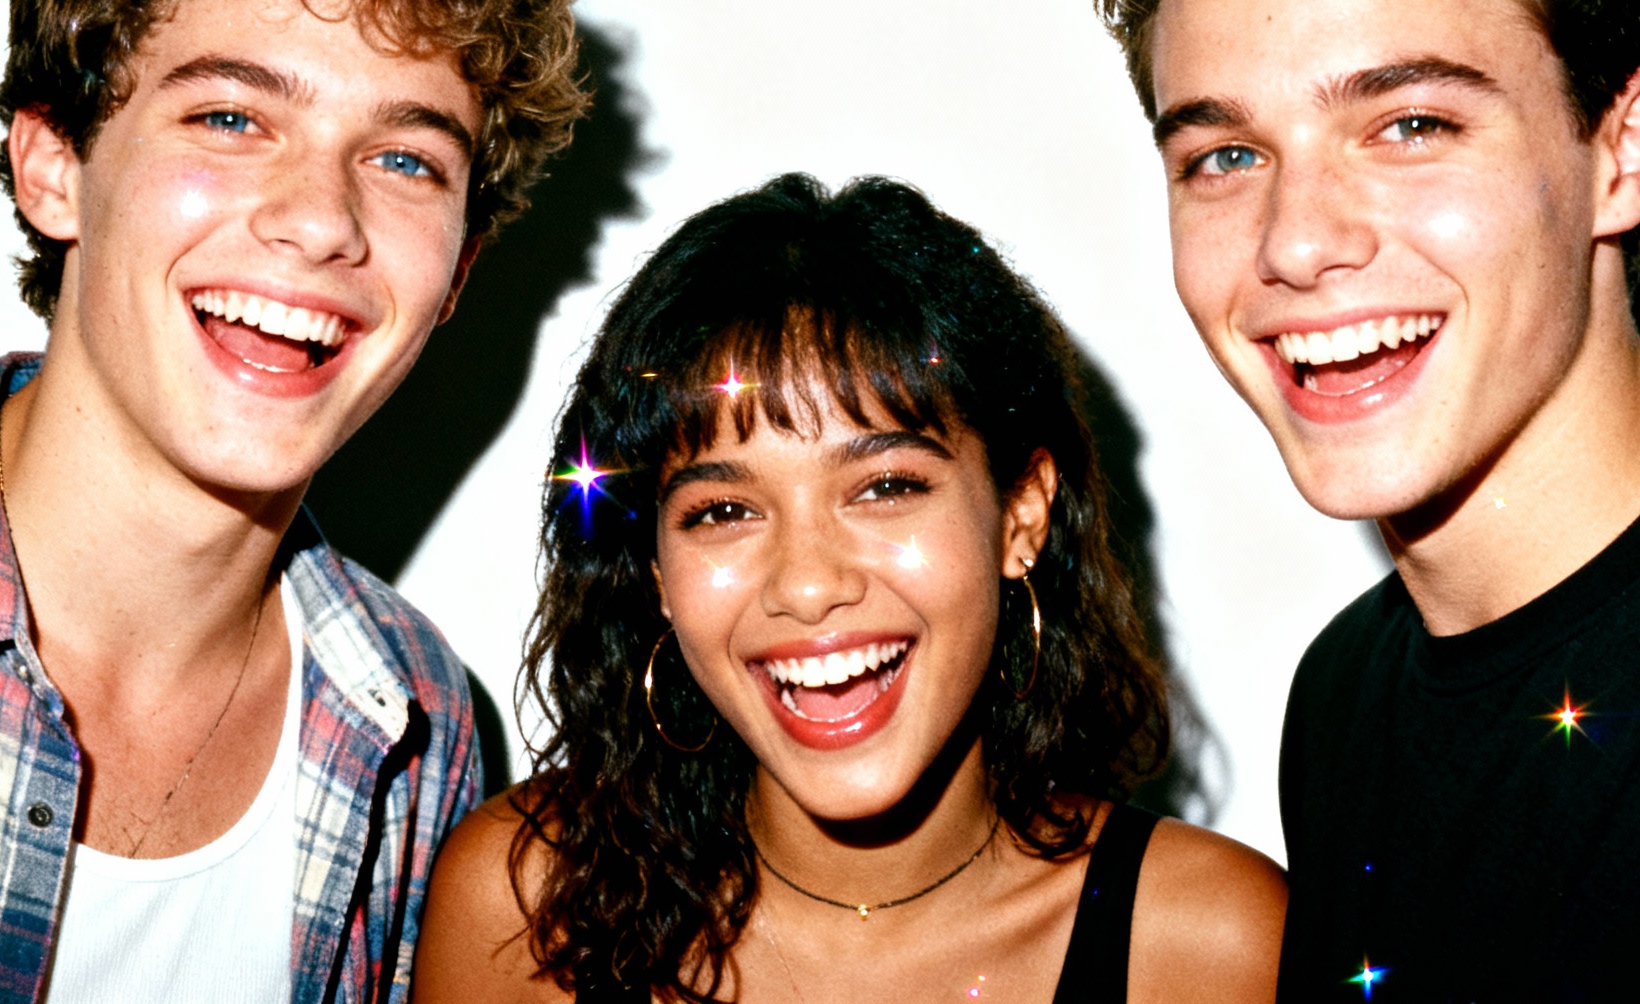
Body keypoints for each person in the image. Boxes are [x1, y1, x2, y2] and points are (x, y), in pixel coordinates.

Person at [0, 0, 585, 998]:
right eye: (231, 116)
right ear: (54, 165)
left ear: (457, 277)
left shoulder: (414, 724)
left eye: (404, 158)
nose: (318, 221)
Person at [1087, 0, 1640, 999]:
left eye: (1409, 124)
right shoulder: (1347, 697)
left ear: (1624, 151)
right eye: (1224, 155)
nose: (1293, 242)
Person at [414, 174, 1286, 1003]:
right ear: (655, 572)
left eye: (885, 488)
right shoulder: (524, 907)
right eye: (722, 510)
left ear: (1021, 515)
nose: (806, 585)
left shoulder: (1213, 947)